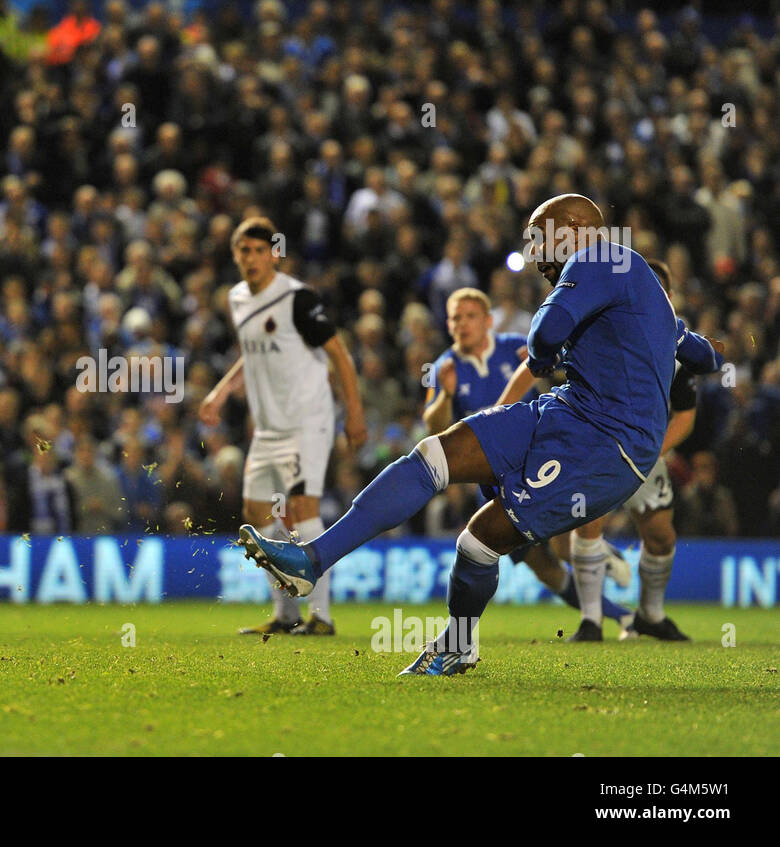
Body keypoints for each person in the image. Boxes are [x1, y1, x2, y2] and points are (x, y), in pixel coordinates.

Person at [238, 194, 723, 674]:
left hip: (606, 444)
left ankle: (459, 644)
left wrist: (541, 354)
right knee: (434, 454)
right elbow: (702, 355)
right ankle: (310, 560)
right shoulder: (639, 285)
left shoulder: (600, 255)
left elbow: (544, 333)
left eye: (539, 238)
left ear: (575, 230)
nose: (534, 254)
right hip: (566, 412)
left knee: (478, 541)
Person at [500, 259, 698, 640]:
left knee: (660, 535)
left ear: (668, 298)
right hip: (592, 443)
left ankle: (651, 617)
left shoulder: (676, 348)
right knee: (578, 532)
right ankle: (591, 621)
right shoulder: (595, 328)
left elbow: (686, 417)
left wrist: (653, 449)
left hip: (645, 446)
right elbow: (533, 366)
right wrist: (499, 409)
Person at [425, 287, 634, 632]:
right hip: (491, 476)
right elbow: (434, 428)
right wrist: (445, 395)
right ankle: (622, 615)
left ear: (488, 321)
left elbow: (569, 375)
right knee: (542, 567)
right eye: (455, 318)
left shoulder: (516, 347)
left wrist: (548, 367)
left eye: (469, 316)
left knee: (562, 545)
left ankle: (598, 553)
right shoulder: (444, 367)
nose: (462, 324)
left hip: (535, 459)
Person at [201, 216, 367, 636]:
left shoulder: (296, 299)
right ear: (235, 255)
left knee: (301, 512)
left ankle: (322, 616)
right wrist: (221, 392)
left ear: (274, 254)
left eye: (260, 250)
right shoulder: (238, 298)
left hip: (307, 420)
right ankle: (285, 614)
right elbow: (252, 354)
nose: (252, 258)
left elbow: (340, 355)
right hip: (268, 428)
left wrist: (355, 411)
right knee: (257, 519)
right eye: (244, 251)